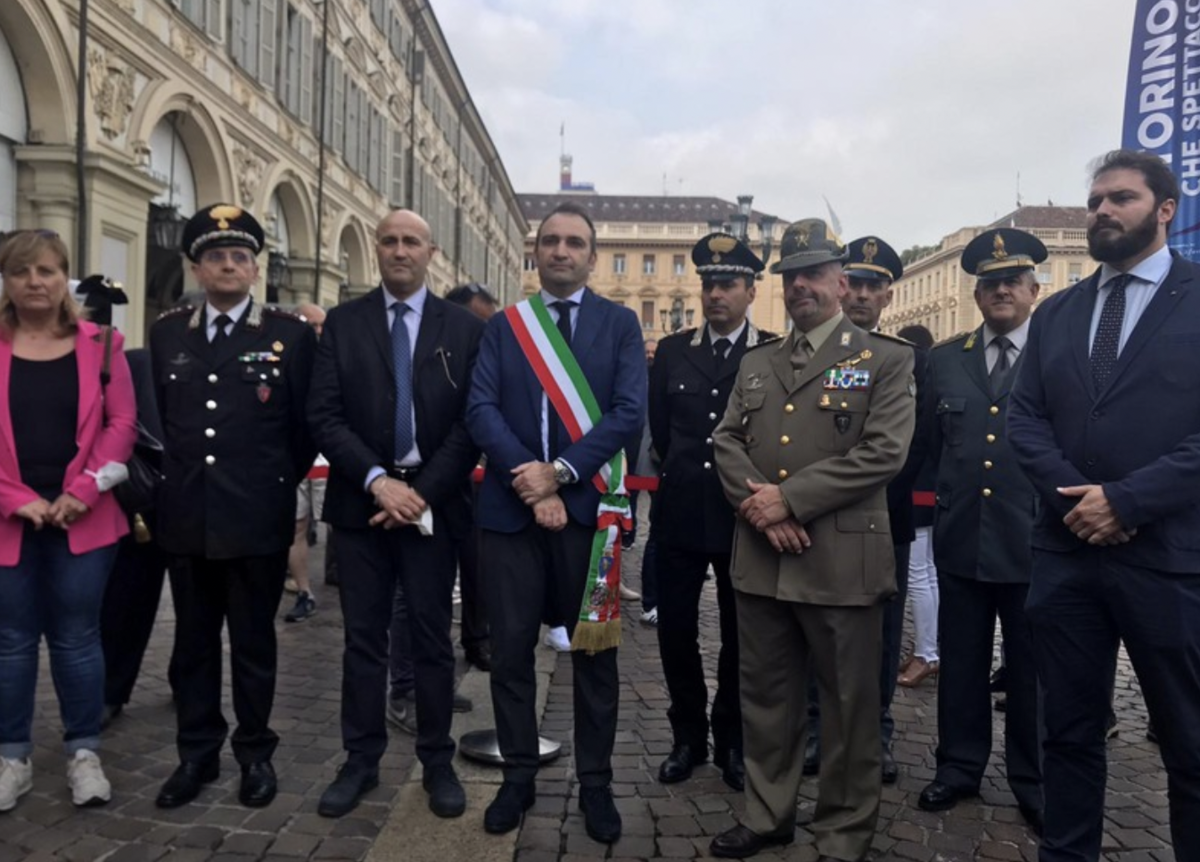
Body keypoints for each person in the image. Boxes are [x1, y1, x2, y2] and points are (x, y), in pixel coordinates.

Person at [1009, 149, 1200, 861]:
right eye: (1095, 201)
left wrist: (1124, 501)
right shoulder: (1058, 312)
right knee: (1068, 734)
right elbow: (1024, 420)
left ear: (1165, 209)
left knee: (1189, 743)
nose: (1102, 211)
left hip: (1168, 560)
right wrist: (1077, 506)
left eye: (1120, 198)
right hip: (1066, 561)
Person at [709, 218, 915, 862]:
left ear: (840, 279)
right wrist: (765, 510)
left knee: (850, 709)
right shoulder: (757, 361)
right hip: (765, 559)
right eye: (790, 275)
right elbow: (726, 441)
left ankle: (842, 835)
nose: (800, 285)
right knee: (767, 701)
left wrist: (789, 498)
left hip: (841, 562)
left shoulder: (885, 358)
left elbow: (883, 453)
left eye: (814, 273)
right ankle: (769, 815)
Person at [466, 201, 645, 844]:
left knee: (595, 659)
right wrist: (530, 477)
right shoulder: (507, 326)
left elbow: (628, 414)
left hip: (589, 519)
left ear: (592, 256)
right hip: (512, 518)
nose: (561, 251)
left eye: (574, 243)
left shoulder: (620, 324)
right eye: (550, 242)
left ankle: (596, 785)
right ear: (535, 253)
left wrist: (561, 474)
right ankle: (518, 778)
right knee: (510, 654)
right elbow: (481, 409)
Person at [308, 209, 484, 819]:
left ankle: (438, 760)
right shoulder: (344, 323)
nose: (399, 250)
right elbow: (324, 415)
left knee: (434, 641)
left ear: (431, 251)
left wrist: (422, 492)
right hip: (363, 503)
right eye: (389, 240)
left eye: (412, 241)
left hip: (433, 505)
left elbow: (471, 425)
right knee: (363, 640)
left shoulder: (463, 329)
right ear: (377, 250)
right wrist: (380, 483)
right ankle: (360, 760)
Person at [149, 204, 317, 810]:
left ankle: (255, 754)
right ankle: (196, 753)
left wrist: (271, 485)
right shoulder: (169, 332)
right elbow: (163, 422)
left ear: (255, 269)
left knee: (253, 644)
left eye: (240, 256)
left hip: (256, 517)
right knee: (192, 644)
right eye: (216, 256)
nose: (228, 265)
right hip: (188, 515)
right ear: (197, 267)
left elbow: (304, 430)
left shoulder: (289, 334)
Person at [0, 232, 137, 811]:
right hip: (9, 519)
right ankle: (12, 756)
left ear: (66, 280)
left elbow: (122, 425)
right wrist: (13, 497)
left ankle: (85, 752)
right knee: (10, 643)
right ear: (6, 281)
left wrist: (83, 490)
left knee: (79, 639)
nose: (36, 281)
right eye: (22, 271)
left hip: (85, 517)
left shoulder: (102, 344)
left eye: (48, 270)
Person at [916, 227, 1045, 836]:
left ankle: (1033, 777)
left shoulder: (1056, 355)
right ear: (976, 294)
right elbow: (931, 451)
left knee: (1031, 672)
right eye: (989, 283)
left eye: (1010, 282)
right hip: (962, 538)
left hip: (1036, 544)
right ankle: (959, 766)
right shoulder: (945, 359)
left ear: (1033, 290)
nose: (999, 292)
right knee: (962, 666)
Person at [650, 232, 771, 793]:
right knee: (675, 632)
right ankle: (687, 736)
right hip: (677, 517)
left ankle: (731, 740)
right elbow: (661, 429)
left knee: (739, 636)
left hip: (738, 519)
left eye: (728, 283)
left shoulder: (769, 353)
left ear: (751, 289)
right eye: (709, 283)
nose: (716, 293)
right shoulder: (675, 352)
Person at [805, 235, 921, 786]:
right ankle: (814, 731)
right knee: (812, 634)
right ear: (839, 285)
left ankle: (876, 735)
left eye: (875, 286)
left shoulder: (906, 359)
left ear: (887, 297)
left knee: (879, 640)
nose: (862, 295)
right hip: (814, 519)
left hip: (885, 521)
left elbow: (920, 446)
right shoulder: (806, 354)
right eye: (855, 282)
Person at [82, 276, 176, 727]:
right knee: (125, 603)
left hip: (202, 504)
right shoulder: (134, 362)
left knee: (199, 608)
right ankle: (111, 690)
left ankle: (187, 682)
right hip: (140, 501)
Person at [439, 282, 496, 671]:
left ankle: (478, 639)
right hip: (437, 478)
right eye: (479, 321)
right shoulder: (433, 350)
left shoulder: (490, 356)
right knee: (435, 572)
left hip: (480, 480)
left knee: (479, 565)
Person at [895, 324, 938, 689]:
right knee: (926, 573)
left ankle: (927, 653)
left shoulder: (917, 365)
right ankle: (926, 648)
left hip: (917, 488)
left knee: (919, 574)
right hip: (925, 486)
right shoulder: (931, 363)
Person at [282, 302, 327, 623]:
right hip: (297, 460)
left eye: (320, 324)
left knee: (340, 528)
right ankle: (304, 591)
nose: (317, 331)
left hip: (331, 460)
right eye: (310, 325)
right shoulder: (285, 355)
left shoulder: (338, 354)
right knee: (295, 527)